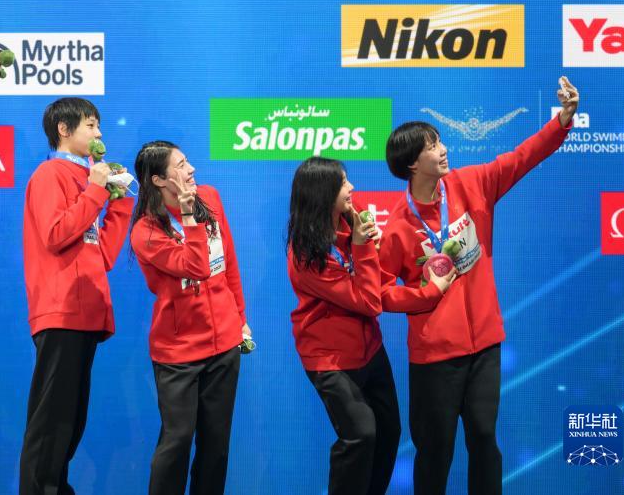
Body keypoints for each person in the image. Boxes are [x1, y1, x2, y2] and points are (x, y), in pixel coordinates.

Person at [379, 77, 579, 495]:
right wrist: (424, 294)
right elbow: (378, 292)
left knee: (485, 440)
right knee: (435, 452)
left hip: (485, 345)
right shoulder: (398, 226)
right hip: (435, 357)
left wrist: (562, 119)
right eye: (432, 146)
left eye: (440, 141)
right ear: (412, 164)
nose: (443, 149)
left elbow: (521, 158)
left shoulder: (472, 184)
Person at [287, 157, 452, 495]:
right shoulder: (304, 256)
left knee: (389, 432)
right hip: (331, 361)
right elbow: (369, 301)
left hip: (370, 350)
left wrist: (372, 247)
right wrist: (364, 247)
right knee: (360, 434)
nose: (351, 188)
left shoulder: (354, 216)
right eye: (342, 184)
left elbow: (376, 279)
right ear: (322, 194)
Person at [18, 98, 133, 495]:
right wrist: (96, 190)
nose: (99, 133)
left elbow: (102, 255)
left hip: (86, 312)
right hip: (61, 308)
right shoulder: (50, 173)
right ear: (64, 130)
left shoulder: (87, 179)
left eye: (99, 125)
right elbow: (55, 234)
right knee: (51, 420)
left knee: (70, 420)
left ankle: (56, 487)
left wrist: (120, 203)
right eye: (90, 125)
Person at [130, 141, 249, 495]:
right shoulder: (145, 232)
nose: (192, 169)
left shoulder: (209, 197)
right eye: (181, 165)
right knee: (177, 442)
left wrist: (239, 317)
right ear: (158, 180)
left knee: (216, 445)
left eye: (188, 161)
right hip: (178, 353)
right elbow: (196, 267)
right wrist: (187, 217)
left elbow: (227, 263)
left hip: (224, 344)